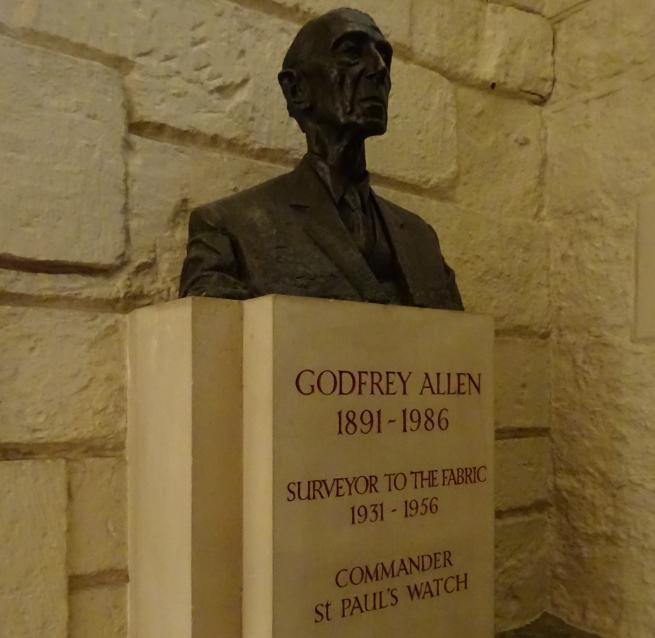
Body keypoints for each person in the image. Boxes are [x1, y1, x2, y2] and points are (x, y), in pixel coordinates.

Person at [179, 8, 463, 310]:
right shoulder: (231, 227)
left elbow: (461, 348)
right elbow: (214, 340)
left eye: (384, 56)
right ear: (297, 89)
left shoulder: (421, 241)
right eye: (352, 53)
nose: (379, 68)